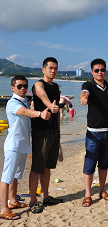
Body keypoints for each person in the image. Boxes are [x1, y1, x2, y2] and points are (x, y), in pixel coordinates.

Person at [1, 76, 51, 220]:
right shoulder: (12, 103)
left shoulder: (24, 100)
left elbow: (28, 112)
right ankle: (4, 209)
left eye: (25, 86)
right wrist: (40, 114)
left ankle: (13, 201)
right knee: (6, 177)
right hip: (13, 146)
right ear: (12, 88)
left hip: (23, 145)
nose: (23, 88)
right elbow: (24, 112)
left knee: (16, 175)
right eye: (19, 86)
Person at [29, 57, 62, 213]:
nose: (53, 70)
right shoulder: (38, 84)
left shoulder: (56, 86)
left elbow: (57, 113)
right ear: (43, 69)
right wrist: (50, 106)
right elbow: (42, 96)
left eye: (55, 68)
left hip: (53, 131)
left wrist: (59, 132)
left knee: (48, 166)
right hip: (41, 131)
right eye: (50, 68)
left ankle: (46, 196)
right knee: (37, 167)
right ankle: (33, 201)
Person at [80, 59, 108, 206]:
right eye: (97, 70)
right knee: (90, 163)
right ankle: (88, 194)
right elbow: (84, 93)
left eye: (102, 70)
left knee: (104, 164)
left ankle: (101, 189)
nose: (100, 72)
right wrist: (83, 98)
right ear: (92, 72)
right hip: (93, 133)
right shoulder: (89, 85)